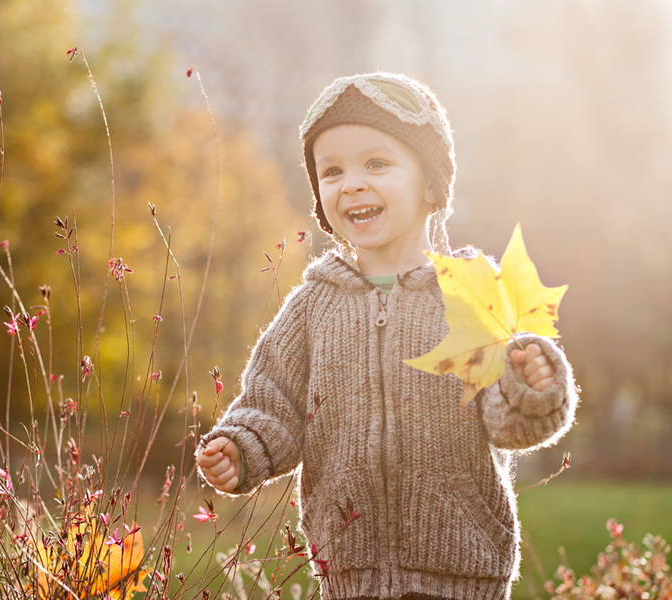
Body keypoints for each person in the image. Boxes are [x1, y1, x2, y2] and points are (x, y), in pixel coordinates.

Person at [195, 72, 578, 600]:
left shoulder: (469, 294)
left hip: (463, 566)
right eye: (332, 171)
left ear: (430, 185)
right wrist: (244, 446)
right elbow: (273, 401)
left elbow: (506, 418)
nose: (351, 182)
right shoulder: (314, 305)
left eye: (376, 163)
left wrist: (529, 384)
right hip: (349, 566)